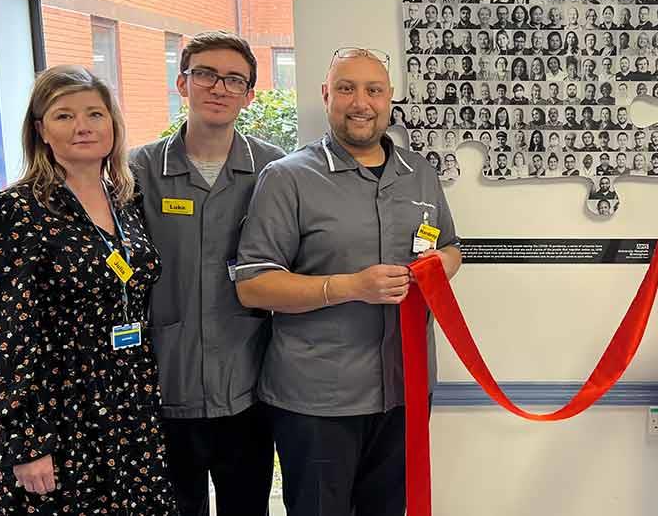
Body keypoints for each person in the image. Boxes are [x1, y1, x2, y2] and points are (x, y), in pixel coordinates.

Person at [235, 48, 461, 516]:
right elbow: (253, 285)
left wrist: (436, 270)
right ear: (326, 95)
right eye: (346, 88)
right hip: (319, 400)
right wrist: (351, 287)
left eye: (374, 90)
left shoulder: (419, 174)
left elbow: (453, 248)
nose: (361, 102)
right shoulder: (287, 178)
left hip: (405, 389)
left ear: (390, 99)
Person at [0, 66, 177, 514]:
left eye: (95, 114)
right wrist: (27, 442)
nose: (83, 127)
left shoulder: (126, 198)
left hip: (130, 400)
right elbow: (8, 334)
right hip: (60, 409)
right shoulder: (12, 211)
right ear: (41, 129)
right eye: (64, 116)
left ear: (113, 125)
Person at [130, 31, 284, 516]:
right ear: (183, 83)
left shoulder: (275, 171)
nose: (219, 87)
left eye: (234, 79)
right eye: (206, 74)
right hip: (162, 385)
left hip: (248, 385)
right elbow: (90, 256)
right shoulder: (138, 170)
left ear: (250, 94)